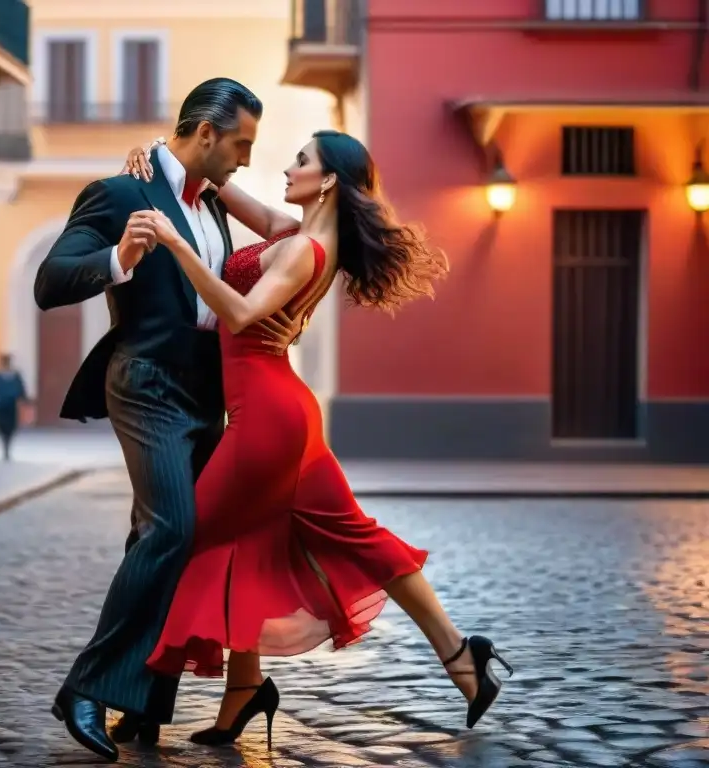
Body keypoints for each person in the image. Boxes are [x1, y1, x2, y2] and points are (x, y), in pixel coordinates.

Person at [120, 131, 514, 749]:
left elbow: (242, 315)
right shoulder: (292, 229)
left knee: (191, 537)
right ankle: (462, 657)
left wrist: (174, 242)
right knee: (344, 535)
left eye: (301, 160)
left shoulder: (304, 249)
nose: (287, 165)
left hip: (267, 422)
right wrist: (163, 155)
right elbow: (222, 186)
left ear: (328, 180)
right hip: (284, 411)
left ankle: (139, 694)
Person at [33, 78, 305, 763]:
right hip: (147, 382)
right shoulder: (121, 193)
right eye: (240, 142)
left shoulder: (211, 202)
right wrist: (119, 259)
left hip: (205, 392)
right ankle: (87, 689)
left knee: (170, 538)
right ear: (206, 133)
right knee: (171, 527)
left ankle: (144, 705)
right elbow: (50, 282)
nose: (246, 156)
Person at [0, 353, 30, 461]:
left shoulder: (15, 375)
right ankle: (5, 448)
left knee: (11, 427)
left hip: (12, 405)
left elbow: (21, 389)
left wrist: (24, 400)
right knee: (2, 427)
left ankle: (7, 448)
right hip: (0, 405)